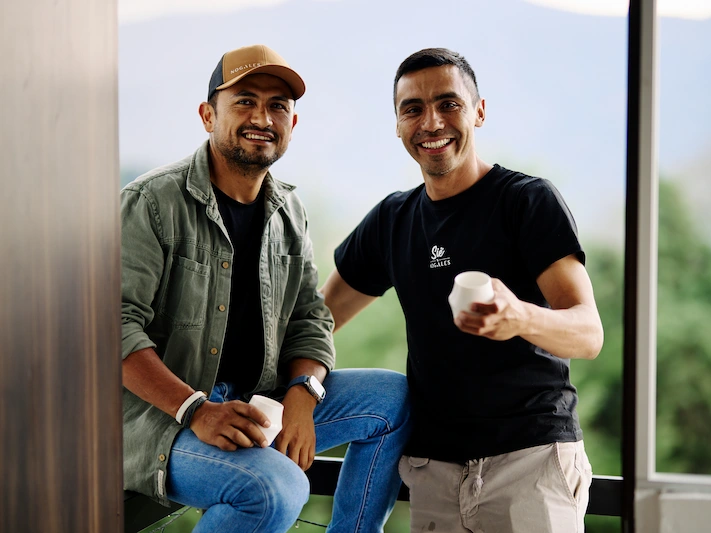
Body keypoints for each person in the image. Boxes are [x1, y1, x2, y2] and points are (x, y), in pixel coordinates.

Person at [120, 44, 410, 533]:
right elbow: (114, 326)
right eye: (245, 101)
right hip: (161, 419)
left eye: (278, 105)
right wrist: (196, 409)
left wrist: (304, 389)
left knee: (392, 399)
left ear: (292, 125)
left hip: (258, 402)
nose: (263, 116)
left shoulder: (288, 211)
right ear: (208, 114)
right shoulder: (151, 202)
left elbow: (310, 318)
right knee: (275, 488)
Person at [320, 48, 604, 533]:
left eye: (448, 104)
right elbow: (317, 319)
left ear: (479, 111)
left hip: (530, 464)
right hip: (435, 474)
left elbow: (588, 333)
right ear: (397, 124)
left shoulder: (526, 201)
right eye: (413, 108)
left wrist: (520, 317)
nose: (431, 122)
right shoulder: (393, 220)